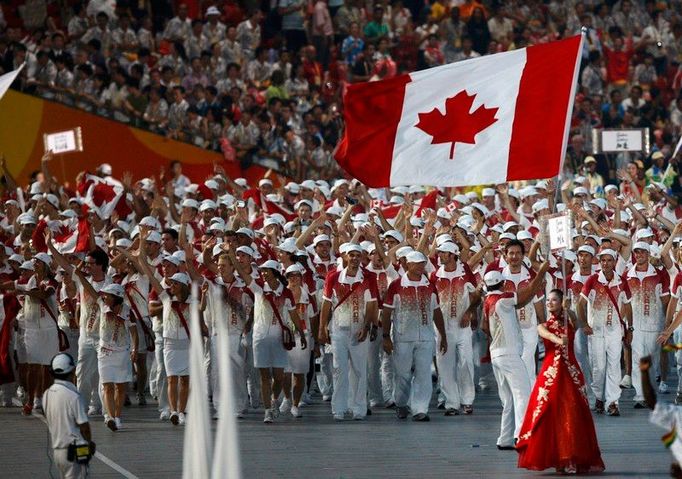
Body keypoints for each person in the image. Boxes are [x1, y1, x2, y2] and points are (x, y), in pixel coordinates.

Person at [516, 289, 605, 474]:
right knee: (548, 411)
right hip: (551, 372)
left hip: (570, 370)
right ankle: (557, 456)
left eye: (554, 300)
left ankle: (571, 457)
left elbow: (577, 321)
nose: (549, 303)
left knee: (572, 411)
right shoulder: (543, 325)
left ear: (561, 302)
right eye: (548, 300)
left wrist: (569, 309)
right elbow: (546, 335)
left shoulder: (569, 320)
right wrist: (558, 339)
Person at [482, 261, 548, 450]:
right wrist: (542, 271)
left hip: (496, 354)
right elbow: (528, 294)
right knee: (523, 395)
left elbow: (484, 327)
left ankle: (504, 438)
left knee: (509, 399)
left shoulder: (487, 301)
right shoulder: (503, 300)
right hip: (509, 354)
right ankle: (521, 436)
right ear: (502, 284)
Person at [382, 251, 447, 422]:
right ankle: (401, 403)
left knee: (423, 373)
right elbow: (387, 311)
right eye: (416, 263)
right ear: (407, 264)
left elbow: (436, 310)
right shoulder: (396, 286)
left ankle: (420, 409)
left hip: (425, 337)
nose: (420, 266)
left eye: (422, 263)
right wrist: (385, 336)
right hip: (403, 337)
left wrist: (443, 334)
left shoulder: (429, 286)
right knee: (402, 373)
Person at [43, 352, 93, 479]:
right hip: (74, 450)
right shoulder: (73, 396)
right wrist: (89, 443)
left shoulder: (47, 394)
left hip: (57, 451)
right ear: (72, 371)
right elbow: (84, 426)